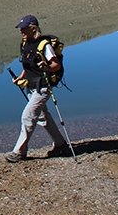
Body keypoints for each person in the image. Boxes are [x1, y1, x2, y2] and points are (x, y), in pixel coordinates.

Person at [5, 14, 70, 162]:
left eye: (24, 28)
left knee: (27, 116)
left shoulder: (44, 45)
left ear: (33, 28)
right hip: (31, 87)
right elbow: (27, 65)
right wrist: (21, 77)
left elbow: (56, 65)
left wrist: (46, 66)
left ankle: (19, 152)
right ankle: (60, 144)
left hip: (43, 87)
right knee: (42, 116)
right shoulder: (24, 44)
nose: (21, 31)